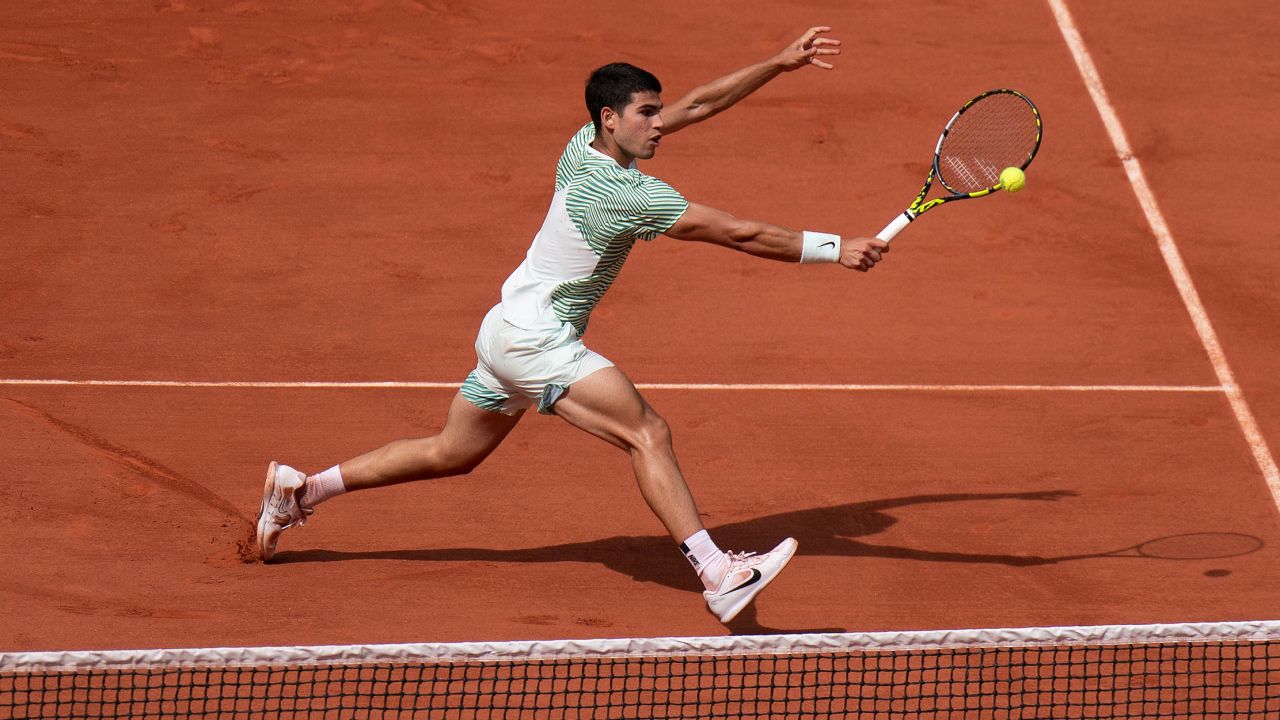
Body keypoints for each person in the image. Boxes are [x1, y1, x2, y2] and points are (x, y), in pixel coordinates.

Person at [257, 26, 889, 624]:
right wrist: (837, 248)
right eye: (646, 113)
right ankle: (718, 573)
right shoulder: (628, 194)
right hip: (537, 342)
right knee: (647, 432)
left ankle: (301, 492)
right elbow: (739, 233)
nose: (659, 124)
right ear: (610, 119)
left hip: (504, 327)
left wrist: (779, 63)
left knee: (450, 453)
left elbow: (696, 105)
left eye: (656, 110)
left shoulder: (578, 145)